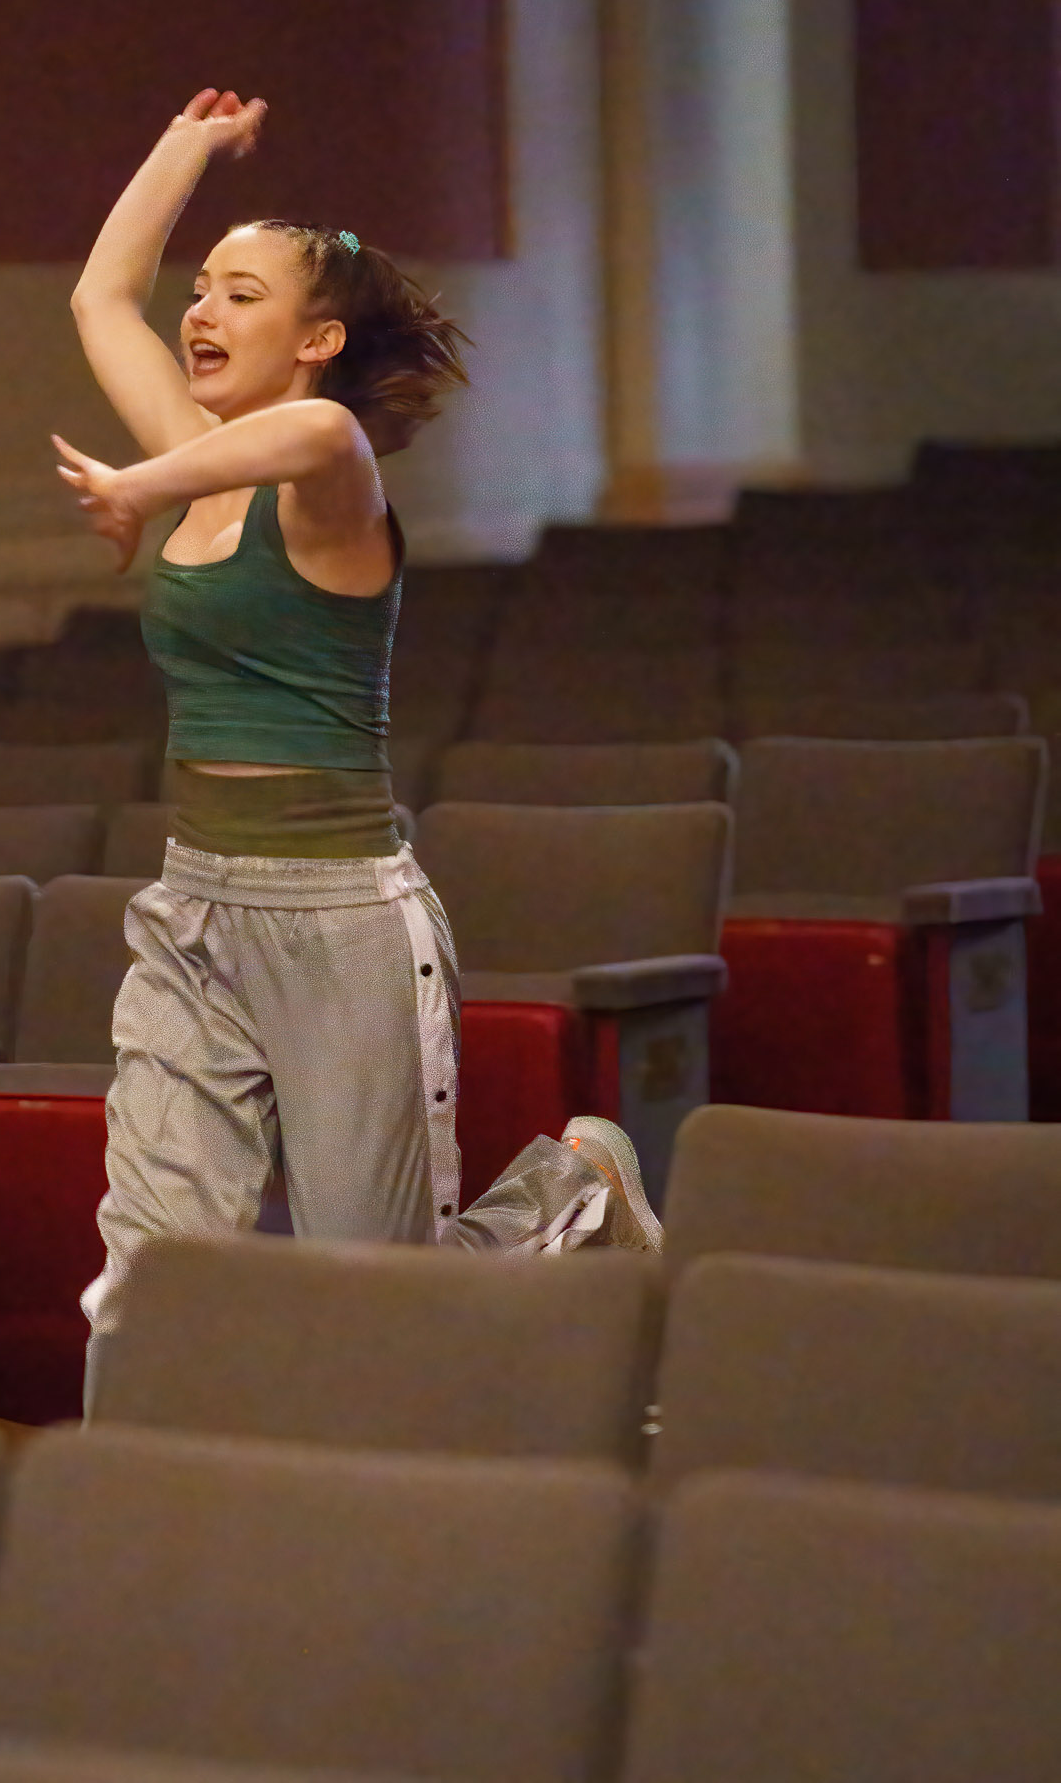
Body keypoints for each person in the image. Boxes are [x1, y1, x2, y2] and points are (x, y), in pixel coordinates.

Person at [56, 88, 659, 1403]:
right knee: (148, 1275)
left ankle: (579, 1197)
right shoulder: (197, 452)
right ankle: (124, 1519)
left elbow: (320, 431)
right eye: (201, 292)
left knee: (375, 1290)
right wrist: (190, 146)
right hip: (194, 906)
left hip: (338, 917)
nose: (200, 315)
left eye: (239, 295)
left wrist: (143, 490)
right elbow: (103, 300)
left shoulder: (332, 478)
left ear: (317, 337)